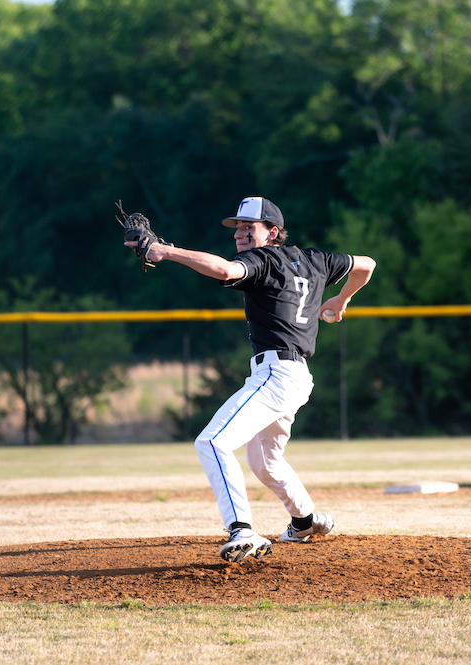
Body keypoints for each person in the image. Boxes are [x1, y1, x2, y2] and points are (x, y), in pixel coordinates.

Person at [125, 196, 375, 563]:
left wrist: (166, 251)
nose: (240, 234)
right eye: (238, 228)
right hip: (297, 377)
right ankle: (304, 521)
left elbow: (225, 271)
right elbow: (366, 265)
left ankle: (241, 530)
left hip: (276, 374)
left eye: (248, 227)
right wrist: (341, 300)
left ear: (272, 232)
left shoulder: (263, 258)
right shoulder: (315, 259)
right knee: (266, 462)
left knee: (212, 442)